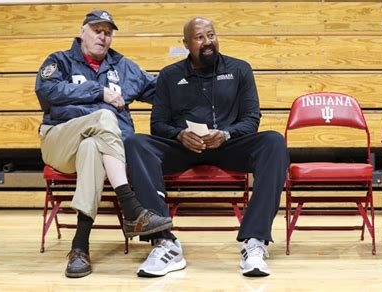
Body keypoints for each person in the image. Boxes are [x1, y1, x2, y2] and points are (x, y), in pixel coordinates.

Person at [124, 16, 289, 277]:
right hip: (184, 148)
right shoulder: (169, 75)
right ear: (186, 43)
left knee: (273, 142)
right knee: (135, 143)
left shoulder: (239, 69)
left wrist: (226, 133)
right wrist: (179, 135)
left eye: (211, 35)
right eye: (200, 38)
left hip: (227, 146)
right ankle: (164, 242)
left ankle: (255, 242)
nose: (207, 42)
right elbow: (158, 124)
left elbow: (251, 119)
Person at [35, 9, 173, 278]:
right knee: (104, 116)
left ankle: (80, 246)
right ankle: (131, 207)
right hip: (60, 140)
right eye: (97, 30)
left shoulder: (124, 67)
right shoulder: (60, 61)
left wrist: (189, 82)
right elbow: (47, 91)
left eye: (108, 32)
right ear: (82, 31)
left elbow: (161, 92)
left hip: (101, 151)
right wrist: (98, 92)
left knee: (93, 147)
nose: (103, 36)